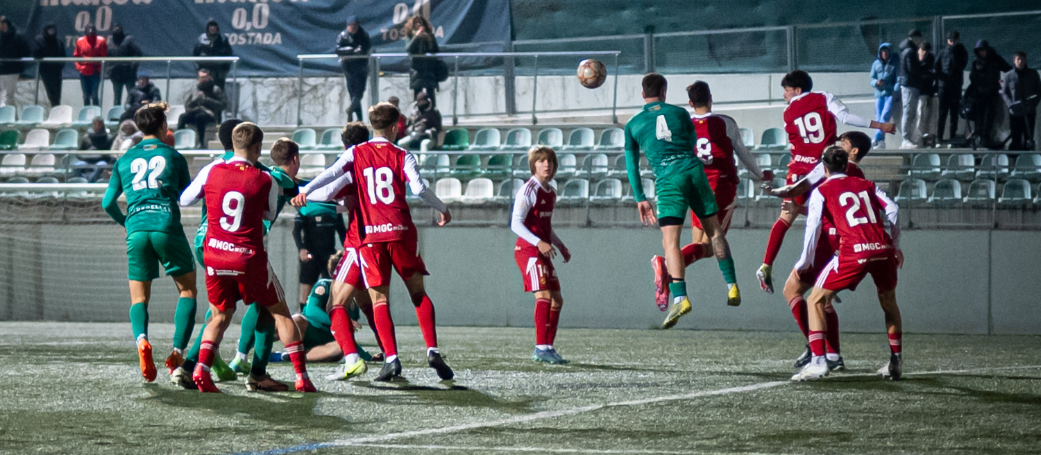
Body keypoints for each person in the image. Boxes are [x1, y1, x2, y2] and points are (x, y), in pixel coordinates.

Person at [292, 103, 455, 382]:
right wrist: (442, 208)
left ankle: (391, 359)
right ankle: (432, 349)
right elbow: (418, 188)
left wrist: (304, 189)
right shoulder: (403, 154)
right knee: (418, 294)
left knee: (378, 301)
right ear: (395, 128)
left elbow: (331, 176)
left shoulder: (356, 154)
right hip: (401, 231)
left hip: (370, 236)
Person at [178, 122, 316, 393]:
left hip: (214, 254)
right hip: (247, 257)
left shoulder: (212, 169)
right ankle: (301, 377)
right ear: (257, 148)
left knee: (219, 316)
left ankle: (199, 370)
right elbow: (267, 215)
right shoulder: (266, 178)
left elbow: (184, 200)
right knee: (281, 313)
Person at [756, 70, 894, 294]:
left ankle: (766, 264)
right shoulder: (824, 97)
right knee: (829, 217)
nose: (784, 95)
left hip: (799, 170)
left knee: (787, 217)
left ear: (797, 90)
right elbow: (846, 118)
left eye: (786, 90)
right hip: (824, 167)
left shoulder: (788, 112)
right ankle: (826, 271)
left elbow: (795, 140)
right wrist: (879, 125)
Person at [623, 73, 741, 329]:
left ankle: (680, 297)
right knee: (715, 232)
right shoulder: (680, 114)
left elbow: (632, 166)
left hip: (668, 179)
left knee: (671, 242)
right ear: (664, 92)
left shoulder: (633, 124)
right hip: (694, 172)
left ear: (643, 94)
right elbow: (690, 145)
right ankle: (731, 284)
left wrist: (640, 198)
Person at [650, 81, 772, 310]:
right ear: (710, 98)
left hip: (695, 185)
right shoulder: (725, 122)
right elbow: (742, 152)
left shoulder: (682, 124)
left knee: (701, 245)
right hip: (722, 188)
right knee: (712, 243)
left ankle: (665, 268)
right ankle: (667, 267)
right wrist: (760, 175)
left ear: (690, 103)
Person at [100, 103, 198, 383]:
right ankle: (177, 353)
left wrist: (127, 222)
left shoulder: (124, 159)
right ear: (163, 126)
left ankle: (142, 340)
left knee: (139, 297)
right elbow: (186, 196)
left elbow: (107, 203)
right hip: (166, 225)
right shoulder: (174, 156)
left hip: (137, 228)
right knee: (188, 291)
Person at [790, 146, 903, 381]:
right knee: (889, 303)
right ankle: (896, 361)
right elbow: (893, 209)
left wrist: (805, 260)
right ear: (846, 166)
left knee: (815, 299)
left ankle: (819, 362)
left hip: (854, 251)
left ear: (824, 167)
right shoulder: (868, 185)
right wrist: (896, 245)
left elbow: (813, 227)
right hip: (883, 248)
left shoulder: (822, 190)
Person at [285, 121, 385, 381]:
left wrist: (303, 191)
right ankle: (390, 355)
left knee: (335, 303)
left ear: (344, 145)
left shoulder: (350, 165)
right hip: (382, 236)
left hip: (358, 240)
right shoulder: (381, 162)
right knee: (372, 302)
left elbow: (329, 191)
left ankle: (352, 359)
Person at [765, 131, 874, 371]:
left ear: (853, 152)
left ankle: (819, 351)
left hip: (829, 243)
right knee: (823, 300)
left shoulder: (838, 171)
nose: (838, 146)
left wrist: (790, 200)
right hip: (845, 243)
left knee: (794, 291)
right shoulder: (858, 177)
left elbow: (823, 213)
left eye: (843, 144)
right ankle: (832, 355)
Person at [512, 146, 572, 363]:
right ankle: (540, 348)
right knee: (544, 296)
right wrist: (538, 242)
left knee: (557, 300)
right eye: (541, 161)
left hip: (542, 250)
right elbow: (515, 224)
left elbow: (545, 225)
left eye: (550, 161)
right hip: (528, 251)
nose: (547, 165)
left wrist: (560, 244)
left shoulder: (551, 192)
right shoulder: (529, 189)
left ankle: (548, 347)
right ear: (533, 165)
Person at [292, 139, 348, 309]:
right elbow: (296, 230)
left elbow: (341, 230)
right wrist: (301, 248)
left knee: (330, 287)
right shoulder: (307, 205)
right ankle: (304, 318)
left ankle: (328, 319)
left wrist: (347, 249)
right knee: (307, 287)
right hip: (311, 252)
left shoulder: (333, 207)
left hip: (329, 254)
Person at [968, 40, 1012, 150]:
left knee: (989, 117)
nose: (982, 52)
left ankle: (986, 139)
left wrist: (1003, 82)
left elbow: (1008, 68)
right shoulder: (976, 62)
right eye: (980, 50)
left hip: (992, 94)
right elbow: (973, 78)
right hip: (979, 95)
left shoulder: (995, 59)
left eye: (983, 50)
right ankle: (980, 139)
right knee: (980, 118)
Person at [1001, 51, 1040, 151]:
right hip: (1015, 113)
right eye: (1018, 59)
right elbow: (1004, 92)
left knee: (1029, 138)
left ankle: (1027, 161)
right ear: (1014, 61)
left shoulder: (1033, 74)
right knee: (1016, 138)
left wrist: (1033, 104)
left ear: (1025, 60)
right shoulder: (1009, 76)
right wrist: (1010, 105)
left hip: (1029, 112)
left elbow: (1039, 91)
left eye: (1022, 59)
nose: (1020, 61)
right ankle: (1015, 162)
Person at [178, 69, 227, 149]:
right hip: (195, 111)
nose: (202, 79)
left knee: (200, 117)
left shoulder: (215, 89)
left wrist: (206, 99)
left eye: (204, 77)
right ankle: (178, 140)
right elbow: (187, 105)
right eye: (200, 77)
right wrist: (194, 101)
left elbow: (223, 105)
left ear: (209, 77)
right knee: (182, 117)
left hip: (210, 115)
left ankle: (201, 143)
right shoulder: (195, 89)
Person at [935, 31, 969, 143]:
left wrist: (955, 53)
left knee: (954, 113)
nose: (952, 42)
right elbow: (936, 67)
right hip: (944, 87)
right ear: (947, 40)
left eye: (954, 40)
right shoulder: (942, 52)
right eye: (950, 40)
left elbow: (961, 66)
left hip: (955, 86)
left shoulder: (962, 52)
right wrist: (941, 78)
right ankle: (939, 137)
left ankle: (952, 137)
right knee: (942, 113)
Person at [336, 16, 371, 123]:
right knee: (353, 93)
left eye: (356, 25)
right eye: (352, 25)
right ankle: (358, 118)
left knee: (359, 92)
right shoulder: (343, 36)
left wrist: (349, 53)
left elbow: (363, 50)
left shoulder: (363, 35)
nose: (354, 28)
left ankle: (351, 110)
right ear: (348, 26)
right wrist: (351, 51)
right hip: (349, 68)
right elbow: (338, 49)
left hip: (361, 67)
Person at [404, 15, 441, 107]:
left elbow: (436, 50)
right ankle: (418, 112)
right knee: (417, 92)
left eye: (421, 23)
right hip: (417, 68)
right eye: (416, 23)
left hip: (429, 67)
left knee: (430, 91)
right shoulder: (410, 35)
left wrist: (429, 39)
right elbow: (409, 49)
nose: (418, 25)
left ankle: (431, 111)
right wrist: (416, 37)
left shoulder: (430, 36)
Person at [899, 29, 925, 149]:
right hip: (910, 85)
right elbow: (912, 69)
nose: (920, 41)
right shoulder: (910, 51)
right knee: (909, 111)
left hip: (909, 84)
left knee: (910, 112)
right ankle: (905, 139)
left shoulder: (907, 50)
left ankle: (907, 138)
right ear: (915, 38)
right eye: (919, 38)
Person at [870, 42, 898, 148]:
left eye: (886, 51)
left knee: (885, 115)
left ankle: (876, 138)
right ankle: (881, 141)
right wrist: (876, 83)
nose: (884, 53)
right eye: (882, 51)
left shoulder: (894, 64)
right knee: (878, 117)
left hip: (889, 94)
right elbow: (871, 79)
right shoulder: (876, 64)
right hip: (879, 94)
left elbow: (898, 79)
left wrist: (894, 90)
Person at [106, 23, 142, 106]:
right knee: (117, 98)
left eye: (119, 31)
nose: (117, 33)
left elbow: (138, 53)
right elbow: (107, 58)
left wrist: (133, 67)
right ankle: (115, 116)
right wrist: (109, 70)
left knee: (132, 96)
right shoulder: (110, 43)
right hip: (116, 75)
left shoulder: (128, 41)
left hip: (128, 74)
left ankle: (131, 113)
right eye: (115, 31)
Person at [192, 20, 233, 92]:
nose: (212, 29)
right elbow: (196, 53)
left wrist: (225, 67)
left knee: (219, 88)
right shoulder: (202, 39)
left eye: (214, 27)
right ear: (208, 28)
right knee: (206, 88)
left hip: (220, 69)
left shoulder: (222, 39)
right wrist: (200, 66)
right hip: (206, 68)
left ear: (217, 28)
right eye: (211, 27)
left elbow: (228, 53)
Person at [0, 18, 32, 108]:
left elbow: (25, 50)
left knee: (8, 96)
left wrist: (13, 57)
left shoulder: (17, 36)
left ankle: (11, 118)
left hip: (12, 70)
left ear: (4, 25)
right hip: (1, 69)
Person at [33, 23, 66, 107]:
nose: (51, 32)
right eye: (49, 30)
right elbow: (36, 54)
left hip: (57, 72)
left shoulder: (58, 42)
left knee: (57, 94)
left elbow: (63, 56)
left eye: (52, 30)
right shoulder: (40, 41)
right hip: (46, 72)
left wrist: (59, 66)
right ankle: (54, 108)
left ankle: (57, 110)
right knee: (50, 93)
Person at [73, 24, 106, 106]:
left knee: (94, 95)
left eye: (92, 30)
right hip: (84, 72)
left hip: (95, 72)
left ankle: (96, 113)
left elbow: (104, 56)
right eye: (89, 30)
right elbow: (76, 55)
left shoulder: (101, 40)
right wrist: (78, 66)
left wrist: (100, 68)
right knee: (85, 96)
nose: (91, 33)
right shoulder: (80, 41)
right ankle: (86, 114)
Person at [917, 42, 938, 147]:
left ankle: (930, 137)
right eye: (923, 50)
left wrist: (934, 89)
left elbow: (935, 74)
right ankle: (919, 138)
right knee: (921, 115)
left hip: (929, 91)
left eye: (926, 51)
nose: (924, 53)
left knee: (930, 115)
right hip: (921, 92)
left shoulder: (931, 59)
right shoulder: (916, 59)